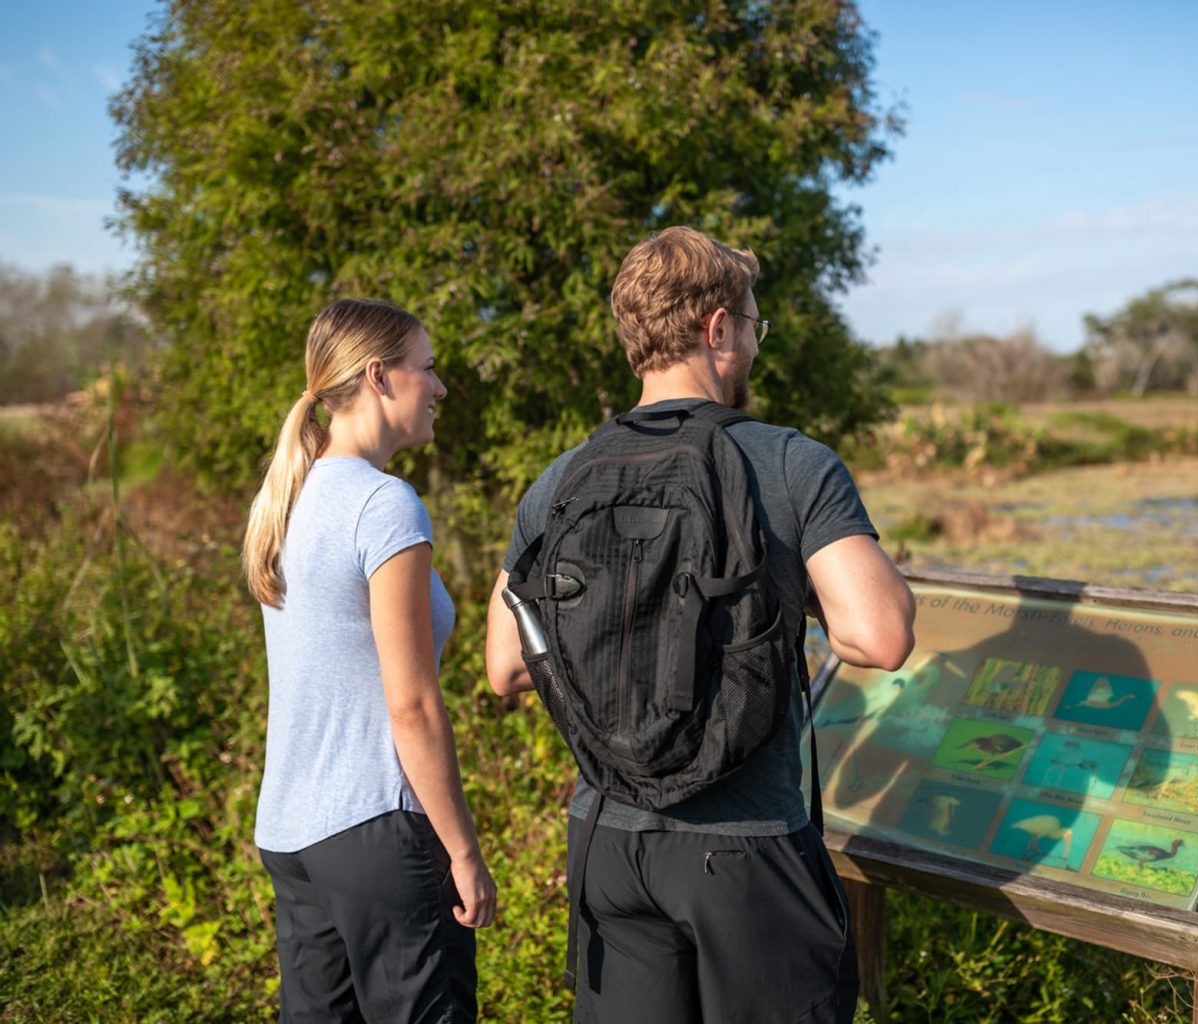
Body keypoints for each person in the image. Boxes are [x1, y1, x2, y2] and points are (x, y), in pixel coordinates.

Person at [485, 227, 916, 1023]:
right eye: (753, 325)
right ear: (719, 329)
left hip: (608, 841)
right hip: (746, 847)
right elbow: (878, 635)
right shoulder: (789, 462)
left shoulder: (562, 478)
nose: (753, 342)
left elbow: (505, 666)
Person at [243, 298, 495, 1023]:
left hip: (293, 835)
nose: (441, 387)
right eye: (429, 368)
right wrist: (464, 852)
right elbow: (411, 705)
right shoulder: (385, 505)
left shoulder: (292, 496)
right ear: (381, 378)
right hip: (378, 829)